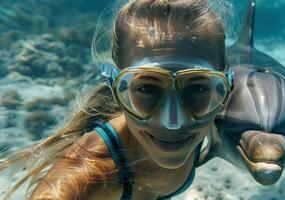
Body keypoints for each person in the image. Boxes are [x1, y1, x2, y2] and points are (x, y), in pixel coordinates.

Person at [0, 0, 234, 199]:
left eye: (198, 88)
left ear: (225, 88)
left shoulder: (222, 105)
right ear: (116, 89)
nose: (173, 121)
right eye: (147, 88)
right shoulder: (89, 176)